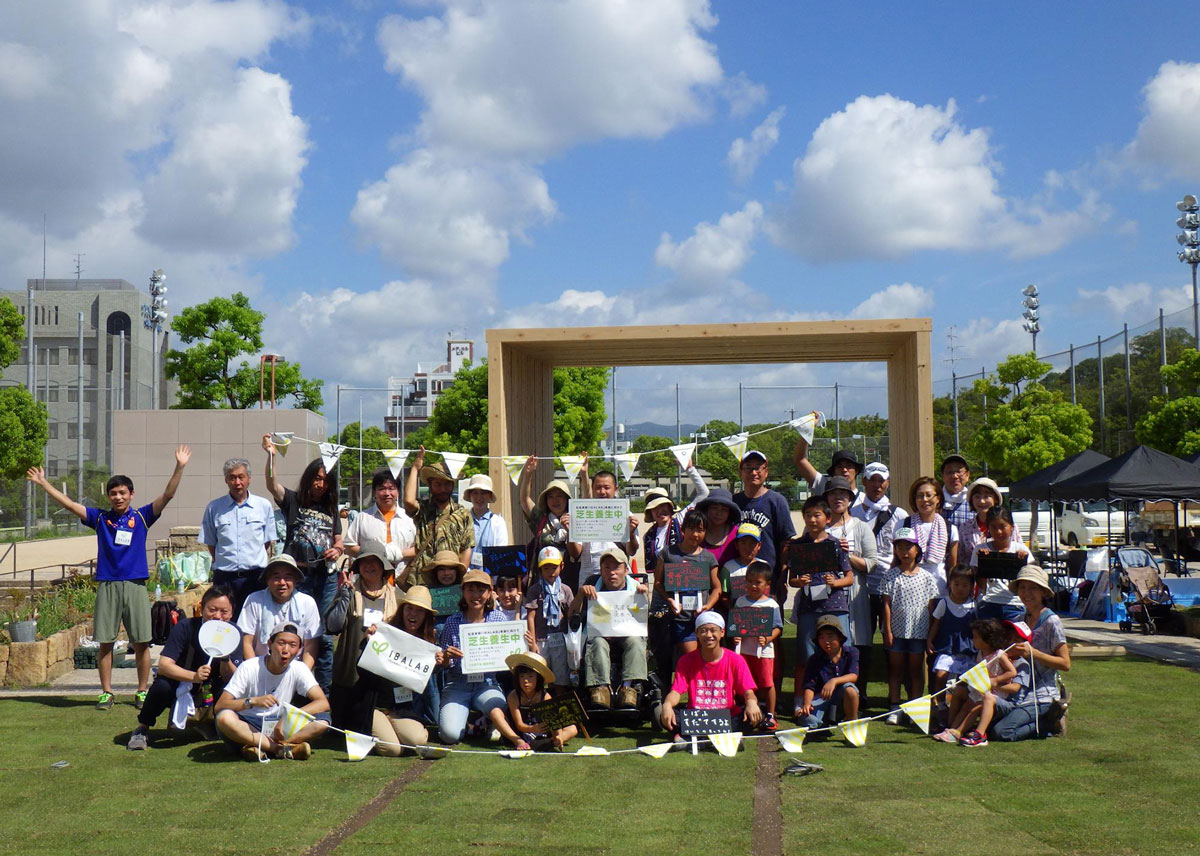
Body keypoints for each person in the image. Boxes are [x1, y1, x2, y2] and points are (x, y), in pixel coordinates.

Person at [26, 445, 190, 711]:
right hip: (107, 585)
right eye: (113, 493)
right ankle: (106, 692)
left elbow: (168, 494)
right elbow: (69, 504)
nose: (118, 497)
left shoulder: (142, 516)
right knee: (106, 642)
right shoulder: (100, 518)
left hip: (135, 585)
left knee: (141, 642)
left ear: (131, 494)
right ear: (109, 496)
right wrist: (44, 483)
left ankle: (141, 691)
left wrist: (179, 466)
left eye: (122, 493)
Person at [261, 435, 343, 692]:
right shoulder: (293, 500)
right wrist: (271, 455)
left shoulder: (331, 508)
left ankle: (323, 692)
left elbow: (339, 539)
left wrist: (337, 550)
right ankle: (290, 686)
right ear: (309, 478)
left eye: (325, 481)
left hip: (326, 577)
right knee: (295, 633)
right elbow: (272, 485)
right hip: (300, 577)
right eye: (317, 478)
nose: (320, 484)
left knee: (325, 637)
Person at [126, 585, 237, 750]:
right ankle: (142, 728)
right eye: (212, 610)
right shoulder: (185, 627)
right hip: (181, 683)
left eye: (224, 612)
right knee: (162, 686)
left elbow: (234, 678)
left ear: (232, 613)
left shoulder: (234, 634)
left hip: (211, 688)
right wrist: (193, 677)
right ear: (202, 608)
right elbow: (164, 666)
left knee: (230, 690)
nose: (218, 616)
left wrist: (225, 659)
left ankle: (217, 724)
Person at [214, 619, 330, 761]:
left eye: (292, 645)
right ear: (270, 644)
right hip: (248, 724)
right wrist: (252, 701)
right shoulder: (249, 667)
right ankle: (279, 749)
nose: (286, 650)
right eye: (281, 643)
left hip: (279, 725)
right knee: (224, 718)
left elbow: (323, 703)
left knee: (323, 721)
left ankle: (258, 746)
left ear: (299, 649)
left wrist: (288, 718)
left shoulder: (299, 668)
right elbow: (220, 705)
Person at [322, 544, 400, 733]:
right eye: (365, 562)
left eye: (375, 562)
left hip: (382, 679)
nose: (369, 566)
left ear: (383, 566)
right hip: (350, 677)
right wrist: (344, 595)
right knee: (343, 731)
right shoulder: (350, 591)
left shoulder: (397, 597)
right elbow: (332, 626)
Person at [786, 495, 854, 711]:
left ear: (827, 518)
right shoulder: (798, 545)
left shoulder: (836, 545)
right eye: (808, 515)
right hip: (809, 608)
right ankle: (802, 701)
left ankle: (843, 702)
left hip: (835, 606)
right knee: (806, 655)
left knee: (840, 654)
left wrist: (835, 582)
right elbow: (792, 580)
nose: (812, 520)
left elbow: (849, 578)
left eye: (817, 515)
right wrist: (800, 581)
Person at [991, 565, 1072, 741]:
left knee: (1001, 732)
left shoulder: (1051, 622)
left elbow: (1065, 664)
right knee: (988, 724)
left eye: (1032, 588)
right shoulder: (1019, 620)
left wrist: (1034, 653)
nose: (1026, 593)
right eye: (1022, 587)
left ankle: (1049, 722)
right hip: (1017, 692)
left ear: (1043, 592)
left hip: (1042, 694)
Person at [850, 461, 907, 699]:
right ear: (863, 481)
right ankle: (858, 692)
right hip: (859, 586)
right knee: (860, 643)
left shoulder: (899, 514)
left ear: (888, 483)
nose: (877, 485)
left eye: (881, 480)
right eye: (872, 480)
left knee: (891, 643)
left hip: (888, 587)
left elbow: (902, 550)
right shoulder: (852, 511)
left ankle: (895, 697)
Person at [437, 569, 513, 744]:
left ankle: (486, 719)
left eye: (481, 590)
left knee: (498, 706)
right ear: (463, 592)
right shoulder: (452, 621)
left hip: (487, 683)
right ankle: (475, 721)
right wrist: (446, 657)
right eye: (470, 590)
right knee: (449, 735)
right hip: (457, 684)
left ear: (489, 593)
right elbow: (445, 665)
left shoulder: (498, 619)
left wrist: (524, 643)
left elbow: (508, 654)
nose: (476, 595)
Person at [659, 611, 762, 735]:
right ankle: (716, 736)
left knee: (755, 714)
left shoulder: (735, 660)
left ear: (722, 632)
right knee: (666, 716)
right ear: (696, 633)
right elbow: (676, 691)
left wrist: (751, 703)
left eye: (713, 630)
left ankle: (696, 736)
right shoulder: (686, 660)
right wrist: (667, 704)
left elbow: (748, 692)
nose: (708, 635)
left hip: (726, 717)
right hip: (697, 717)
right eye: (703, 631)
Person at [573, 547, 651, 710]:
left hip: (627, 635)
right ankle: (601, 688)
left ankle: (628, 687)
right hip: (601, 634)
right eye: (607, 567)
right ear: (601, 571)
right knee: (597, 642)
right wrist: (580, 594)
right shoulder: (592, 585)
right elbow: (571, 614)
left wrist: (645, 597)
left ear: (626, 570)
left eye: (616, 567)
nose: (612, 572)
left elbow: (643, 620)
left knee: (636, 642)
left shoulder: (636, 587)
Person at [200, 458, 275, 617]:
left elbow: (267, 541)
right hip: (225, 578)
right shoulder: (214, 508)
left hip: (255, 577)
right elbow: (211, 543)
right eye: (232, 478)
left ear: (249, 478)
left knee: (256, 620)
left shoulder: (264, 505)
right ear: (226, 480)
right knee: (224, 621)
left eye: (241, 477)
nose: (237, 482)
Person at [823, 476, 876, 697]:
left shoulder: (861, 527)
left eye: (842, 494)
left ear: (850, 498)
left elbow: (871, 564)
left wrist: (848, 555)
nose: (838, 498)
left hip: (855, 595)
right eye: (833, 494)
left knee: (857, 642)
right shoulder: (820, 527)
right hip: (826, 594)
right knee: (828, 641)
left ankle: (857, 695)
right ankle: (829, 697)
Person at [372, 585, 442, 755]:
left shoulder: (428, 641)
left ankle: (391, 726)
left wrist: (438, 664)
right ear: (402, 610)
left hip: (401, 708)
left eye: (419, 611)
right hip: (375, 705)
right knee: (392, 749)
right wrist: (370, 640)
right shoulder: (385, 632)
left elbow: (422, 678)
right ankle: (371, 728)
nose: (413, 614)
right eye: (409, 608)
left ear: (426, 616)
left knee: (417, 740)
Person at [880, 528, 940, 725]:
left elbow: (931, 608)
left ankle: (915, 709)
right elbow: (886, 605)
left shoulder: (927, 577)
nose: (904, 552)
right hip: (896, 631)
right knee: (895, 670)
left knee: (916, 670)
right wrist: (888, 630)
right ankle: (895, 707)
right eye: (900, 548)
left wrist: (930, 634)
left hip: (919, 631)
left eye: (908, 547)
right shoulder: (890, 576)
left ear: (917, 550)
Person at [935, 618, 1018, 747]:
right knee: (966, 701)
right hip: (982, 688)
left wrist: (995, 680)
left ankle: (959, 731)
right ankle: (951, 728)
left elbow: (1012, 672)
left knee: (975, 706)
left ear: (987, 640)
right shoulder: (980, 654)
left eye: (976, 637)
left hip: (996, 693)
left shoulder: (999, 655)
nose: (973, 640)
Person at [653, 509, 721, 660]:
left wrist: (707, 606)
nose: (695, 534)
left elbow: (717, 588)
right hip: (680, 619)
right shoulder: (668, 553)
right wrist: (670, 600)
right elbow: (658, 583)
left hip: (704, 620)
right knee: (692, 657)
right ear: (683, 529)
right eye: (691, 529)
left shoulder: (709, 557)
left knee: (707, 657)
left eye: (700, 530)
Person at [403, 446, 475, 585]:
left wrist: (460, 577)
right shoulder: (423, 509)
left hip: (451, 581)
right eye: (438, 484)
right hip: (423, 579)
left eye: (447, 484)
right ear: (430, 485)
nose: (443, 489)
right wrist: (415, 468)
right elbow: (408, 501)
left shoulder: (462, 513)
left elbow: (466, 548)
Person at [732, 450, 795, 603]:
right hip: (737, 576)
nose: (754, 472)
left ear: (766, 472)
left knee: (768, 616)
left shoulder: (776, 501)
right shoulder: (733, 501)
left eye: (758, 468)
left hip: (768, 578)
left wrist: (782, 577)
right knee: (741, 616)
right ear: (740, 472)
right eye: (748, 468)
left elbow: (785, 543)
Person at [237, 554, 320, 668]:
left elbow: (311, 645)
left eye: (288, 577)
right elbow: (246, 642)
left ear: (295, 580)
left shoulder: (307, 603)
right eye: (276, 577)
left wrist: (303, 674)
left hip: (295, 667)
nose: (282, 582)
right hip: (260, 665)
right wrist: (255, 672)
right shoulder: (254, 600)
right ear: (267, 580)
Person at [730, 560, 782, 731]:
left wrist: (768, 638)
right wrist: (736, 635)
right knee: (744, 681)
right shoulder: (740, 602)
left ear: (767, 584)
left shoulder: (771, 604)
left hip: (764, 651)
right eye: (750, 581)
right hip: (744, 651)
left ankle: (771, 714)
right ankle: (745, 709)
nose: (753, 586)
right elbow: (735, 625)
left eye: (758, 582)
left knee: (767, 683)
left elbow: (778, 627)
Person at [640, 456, 711, 575]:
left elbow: (704, 494)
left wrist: (690, 469)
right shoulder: (648, 536)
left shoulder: (681, 520)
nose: (660, 511)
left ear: (670, 507)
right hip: (661, 579)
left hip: (685, 574)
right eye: (655, 508)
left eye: (663, 506)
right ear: (650, 512)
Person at [343, 468, 417, 581]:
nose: (387, 493)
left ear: (398, 492)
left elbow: (420, 548)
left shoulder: (410, 518)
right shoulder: (363, 517)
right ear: (374, 492)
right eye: (382, 489)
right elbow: (348, 547)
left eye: (391, 488)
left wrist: (399, 554)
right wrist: (375, 555)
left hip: (404, 580)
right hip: (370, 582)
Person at [518, 457, 581, 588]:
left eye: (559, 496)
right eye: (550, 497)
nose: (555, 500)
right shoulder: (541, 519)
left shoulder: (577, 519)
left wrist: (569, 530)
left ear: (567, 499)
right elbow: (524, 499)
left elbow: (575, 554)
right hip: (542, 582)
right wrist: (528, 474)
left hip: (569, 581)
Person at [927, 565, 979, 722]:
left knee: (962, 682)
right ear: (950, 583)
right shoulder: (944, 603)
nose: (960, 589)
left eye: (965, 585)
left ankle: (958, 709)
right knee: (941, 674)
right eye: (956, 584)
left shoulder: (973, 605)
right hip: (947, 648)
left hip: (967, 650)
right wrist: (929, 640)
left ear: (971, 586)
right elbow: (936, 623)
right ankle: (940, 703)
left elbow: (977, 629)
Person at [576, 458, 640, 580]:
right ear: (592, 488)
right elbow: (575, 553)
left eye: (607, 487)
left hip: (618, 578)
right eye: (598, 487)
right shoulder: (583, 513)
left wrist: (631, 533)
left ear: (615, 489)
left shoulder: (626, 514)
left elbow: (631, 551)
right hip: (589, 577)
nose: (602, 492)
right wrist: (570, 531)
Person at [795, 615, 860, 730]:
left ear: (840, 637)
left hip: (842, 697)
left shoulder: (851, 652)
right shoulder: (815, 659)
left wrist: (834, 681)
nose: (826, 642)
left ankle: (852, 723)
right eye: (821, 638)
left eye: (830, 636)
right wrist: (807, 704)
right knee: (807, 718)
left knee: (850, 689)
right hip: (822, 699)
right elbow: (810, 686)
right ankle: (821, 726)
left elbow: (853, 675)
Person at [503, 652, 578, 751]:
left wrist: (558, 735)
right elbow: (519, 725)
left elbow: (554, 722)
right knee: (496, 712)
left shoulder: (545, 696)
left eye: (530, 676)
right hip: (521, 731)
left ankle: (554, 741)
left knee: (572, 728)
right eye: (522, 676)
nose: (526, 680)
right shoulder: (514, 696)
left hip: (541, 731)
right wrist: (533, 728)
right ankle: (519, 742)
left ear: (538, 678)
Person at [525, 546, 574, 692]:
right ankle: (542, 699)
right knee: (541, 673)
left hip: (560, 637)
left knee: (560, 674)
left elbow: (571, 613)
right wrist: (533, 642)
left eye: (554, 567)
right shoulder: (535, 590)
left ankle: (559, 699)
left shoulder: (565, 589)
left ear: (561, 566)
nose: (550, 572)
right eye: (546, 568)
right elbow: (531, 616)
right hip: (541, 638)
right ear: (540, 569)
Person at [970, 506, 1030, 621]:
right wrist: (983, 561)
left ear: (1012, 527)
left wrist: (1024, 561)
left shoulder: (1021, 549)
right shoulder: (980, 549)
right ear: (988, 528)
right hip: (988, 602)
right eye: (993, 527)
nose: (998, 532)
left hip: (1015, 604)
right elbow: (981, 585)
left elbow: (1030, 579)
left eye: (1002, 527)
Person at [958, 477, 1023, 567]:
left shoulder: (1010, 526)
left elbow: (1020, 552)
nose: (982, 501)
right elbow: (961, 558)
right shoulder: (965, 527)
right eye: (977, 496)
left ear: (995, 499)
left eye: (987, 496)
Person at [906, 476, 956, 593]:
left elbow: (952, 564)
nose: (924, 499)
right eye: (920, 496)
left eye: (929, 495)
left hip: (940, 590)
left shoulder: (950, 529)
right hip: (910, 591)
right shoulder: (904, 525)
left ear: (938, 498)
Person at [463, 473, 510, 571]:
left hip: (490, 576)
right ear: (470, 495)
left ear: (489, 496)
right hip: (466, 575)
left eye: (483, 493)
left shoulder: (498, 522)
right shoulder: (463, 521)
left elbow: (500, 554)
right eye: (475, 493)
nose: (479, 497)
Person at [792, 443, 863, 502]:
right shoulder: (824, 487)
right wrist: (806, 433)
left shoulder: (863, 500)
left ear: (856, 470)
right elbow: (800, 460)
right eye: (839, 466)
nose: (844, 469)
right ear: (833, 472)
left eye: (849, 466)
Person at [697, 488, 743, 568]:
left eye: (724, 510)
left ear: (729, 513)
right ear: (707, 509)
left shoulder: (736, 534)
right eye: (714, 508)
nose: (719, 513)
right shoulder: (696, 531)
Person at [720, 522, 762, 607]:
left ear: (759, 546)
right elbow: (724, 595)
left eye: (752, 543)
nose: (747, 548)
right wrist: (734, 609)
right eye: (743, 543)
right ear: (736, 545)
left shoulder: (764, 566)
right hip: (737, 612)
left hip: (760, 612)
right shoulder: (728, 567)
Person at [939, 454, 975, 537]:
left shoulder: (974, 502)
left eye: (959, 471)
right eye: (949, 472)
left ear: (967, 475)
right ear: (943, 476)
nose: (955, 476)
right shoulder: (936, 501)